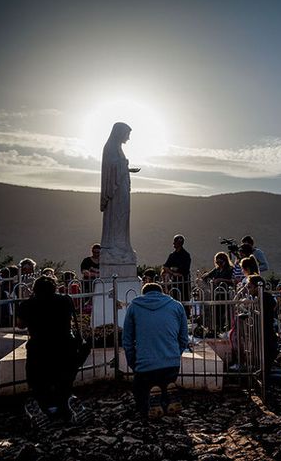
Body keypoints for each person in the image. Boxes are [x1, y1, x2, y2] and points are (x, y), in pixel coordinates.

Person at [17, 276, 86, 426]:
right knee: (63, 378)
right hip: (65, 345)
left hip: (39, 346)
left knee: (40, 380)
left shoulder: (28, 305)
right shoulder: (65, 300)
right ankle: (66, 404)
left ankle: (47, 408)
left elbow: (20, 325)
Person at [122, 282, 189, 419]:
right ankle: (166, 398)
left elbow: (127, 340)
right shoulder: (177, 306)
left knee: (140, 393)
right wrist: (175, 355)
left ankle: (150, 402)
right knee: (164, 384)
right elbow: (183, 338)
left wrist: (133, 363)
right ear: (162, 292)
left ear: (143, 294)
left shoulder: (134, 307)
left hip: (145, 365)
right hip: (171, 365)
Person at [100, 122, 139, 266]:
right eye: (127, 134)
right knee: (116, 216)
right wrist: (124, 164)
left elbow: (117, 166)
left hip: (121, 188)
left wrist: (127, 168)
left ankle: (122, 244)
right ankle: (114, 245)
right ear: (119, 133)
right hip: (115, 191)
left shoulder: (118, 148)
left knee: (123, 215)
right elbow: (110, 167)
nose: (128, 138)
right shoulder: (110, 147)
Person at [162, 234, 191, 301]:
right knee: (174, 299)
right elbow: (165, 267)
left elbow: (185, 270)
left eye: (175, 242)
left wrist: (171, 270)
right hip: (174, 282)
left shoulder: (186, 255)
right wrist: (173, 272)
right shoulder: (172, 255)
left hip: (184, 282)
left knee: (184, 300)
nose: (173, 243)